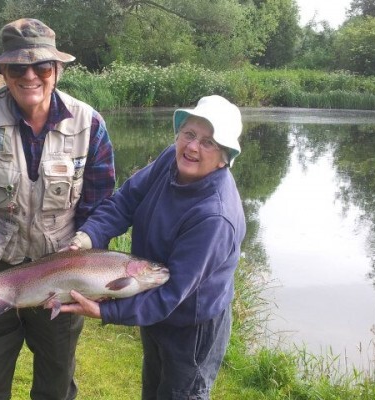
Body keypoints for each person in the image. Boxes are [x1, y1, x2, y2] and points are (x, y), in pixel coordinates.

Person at [0, 18, 116, 400]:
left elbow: (101, 209)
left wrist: (89, 262)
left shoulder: (90, 124)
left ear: (57, 70)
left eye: (42, 67)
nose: (31, 76)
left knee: (56, 388)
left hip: (62, 273)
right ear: (3, 72)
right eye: (17, 67)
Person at [60, 95, 246, 400]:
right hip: (153, 298)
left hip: (191, 326)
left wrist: (107, 310)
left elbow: (173, 294)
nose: (193, 147)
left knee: (181, 394)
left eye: (208, 142)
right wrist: (86, 238)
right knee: (154, 389)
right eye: (189, 134)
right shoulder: (170, 162)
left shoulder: (215, 216)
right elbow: (125, 202)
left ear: (225, 157)